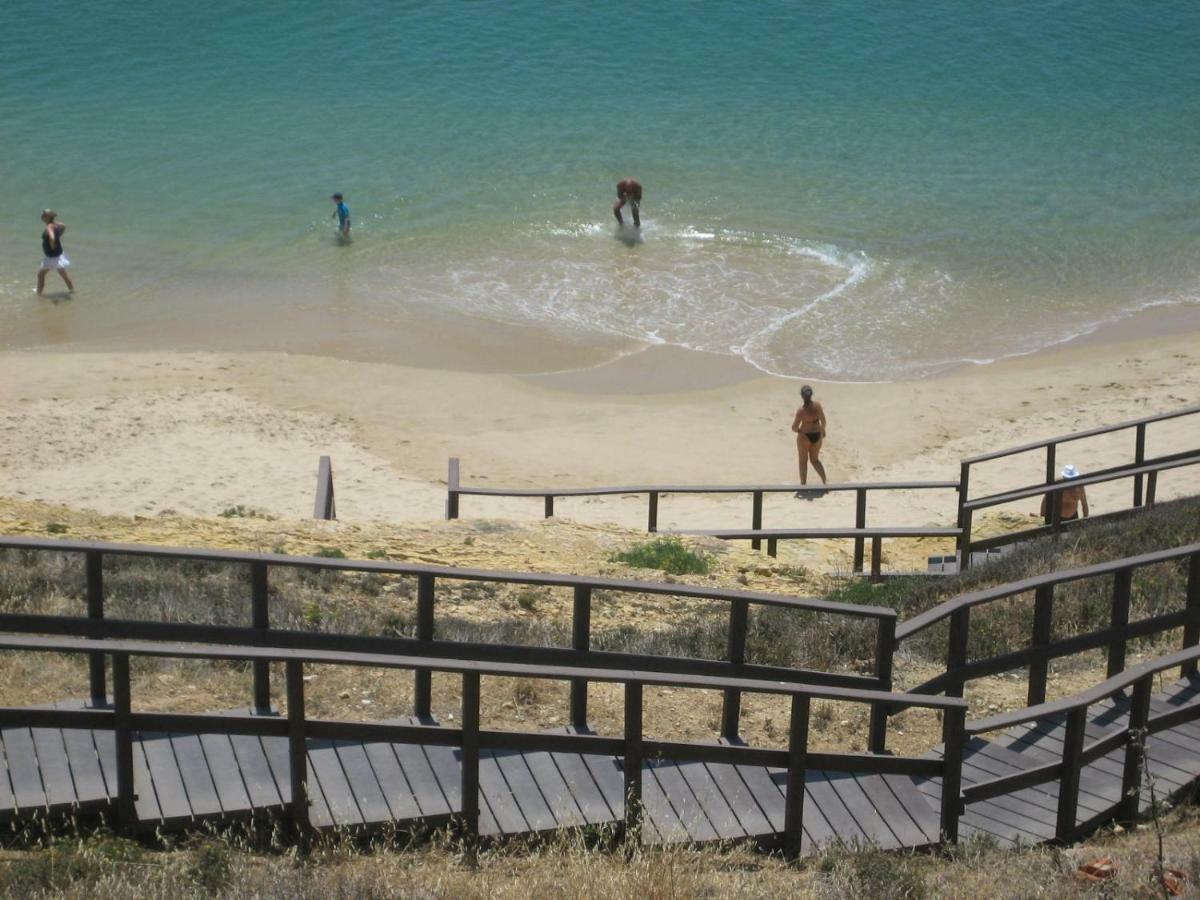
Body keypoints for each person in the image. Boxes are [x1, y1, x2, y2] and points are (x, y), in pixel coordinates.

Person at [791, 385, 827, 497]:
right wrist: (823, 431)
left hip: (805, 436)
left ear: (802, 396)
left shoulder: (801, 411)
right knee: (815, 460)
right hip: (817, 434)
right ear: (811, 394)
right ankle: (825, 482)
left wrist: (799, 431)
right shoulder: (818, 406)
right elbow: (824, 421)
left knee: (803, 462)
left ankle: (803, 486)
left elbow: (794, 427)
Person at [36, 209, 74, 295]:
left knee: (40, 275)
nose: (41, 216)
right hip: (57, 255)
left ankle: (39, 294)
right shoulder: (56, 225)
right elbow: (64, 226)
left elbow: (52, 237)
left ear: (48, 217)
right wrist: (59, 235)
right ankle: (72, 291)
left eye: (43, 215)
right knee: (64, 275)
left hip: (51, 256)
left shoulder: (49, 226)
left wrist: (52, 245)